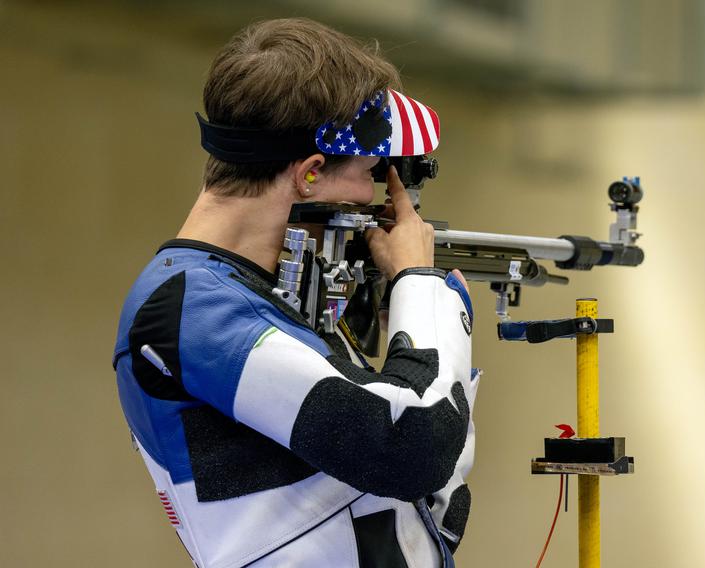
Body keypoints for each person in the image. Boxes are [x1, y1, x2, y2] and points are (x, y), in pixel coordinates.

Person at [112, 18, 478, 567]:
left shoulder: (240, 294)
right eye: (370, 174)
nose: (371, 197)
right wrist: (421, 290)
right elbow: (413, 446)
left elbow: (406, 490)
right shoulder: (190, 310)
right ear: (309, 174)